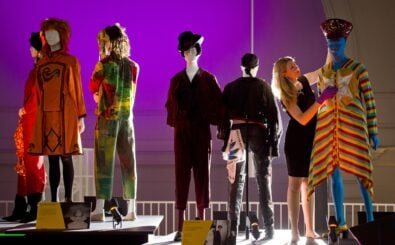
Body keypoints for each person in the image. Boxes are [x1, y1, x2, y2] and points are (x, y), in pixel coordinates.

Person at [307, 18, 379, 236]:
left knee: (360, 172)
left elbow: (369, 99)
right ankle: (341, 222)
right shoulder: (323, 73)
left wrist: (373, 131)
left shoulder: (358, 69)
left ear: (344, 43)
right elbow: (321, 102)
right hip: (329, 128)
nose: (334, 47)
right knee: (333, 174)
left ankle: (371, 219)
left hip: (354, 127)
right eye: (330, 43)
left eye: (337, 43)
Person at [165, 31, 225, 241]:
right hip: (182, 132)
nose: (190, 53)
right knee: (181, 176)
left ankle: (202, 221)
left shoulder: (208, 79)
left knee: (202, 176)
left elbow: (219, 107)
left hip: (200, 132)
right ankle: (180, 227)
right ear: (182, 53)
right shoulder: (176, 80)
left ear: (198, 51)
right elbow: (170, 108)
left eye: (193, 49)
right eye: (186, 50)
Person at [271, 56, 337, 242]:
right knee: (294, 186)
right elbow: (302, 119)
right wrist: (322, 99)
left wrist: (329, 42)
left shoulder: (304, 81)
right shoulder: (286, 95)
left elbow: (324, 68)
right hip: (296, 142)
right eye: (292, 67)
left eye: (295, 64)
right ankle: (294, 231)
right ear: (284, 73)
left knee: (309, 187)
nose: (297, 67)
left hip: (311, 140)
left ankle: (309, 229)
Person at [222, 53, 282, 242]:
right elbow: (274, 117)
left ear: (241, 67)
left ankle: (233, 230)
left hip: (236, 131)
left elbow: (222, 116)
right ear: (256, 67)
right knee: (263, 179)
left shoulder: (231, 87)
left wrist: (225, 138)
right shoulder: (264, 87)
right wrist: (273, 143)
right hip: (258, 131)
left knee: (235, 182)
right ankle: (270, 228)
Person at [28, 18, 86, 203]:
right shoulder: (41, 63)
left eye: (54, 32)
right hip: (47, 113)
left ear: (62, 35)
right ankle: (53, 201)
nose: (51, 36)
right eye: (47, 33)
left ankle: (68, 199)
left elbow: (78, 90)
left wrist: (81, 116)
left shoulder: (71, 61)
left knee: (66, 157)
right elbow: (39, 91)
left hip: (66, 114)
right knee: (52, 159)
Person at [89, 23, 139, 221]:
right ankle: (132, 210)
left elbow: (92, 84)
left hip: (107, 120)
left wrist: (101, 57)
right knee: (129, 164)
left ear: (109, 42)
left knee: (103, 164)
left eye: (105, 41)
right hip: (126, 120)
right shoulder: (134, 66)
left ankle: (99, 209)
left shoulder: (103, 64)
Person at [2, 32, 46, 223]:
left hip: (34, 120)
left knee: (33, 162)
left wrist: (25, 109)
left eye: (33, 47)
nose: (30, 50)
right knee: (24, 162)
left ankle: (34, 207)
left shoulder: (41, 71)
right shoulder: (36, 70)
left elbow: (36, 97)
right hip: (29, 119)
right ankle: (21, 207)